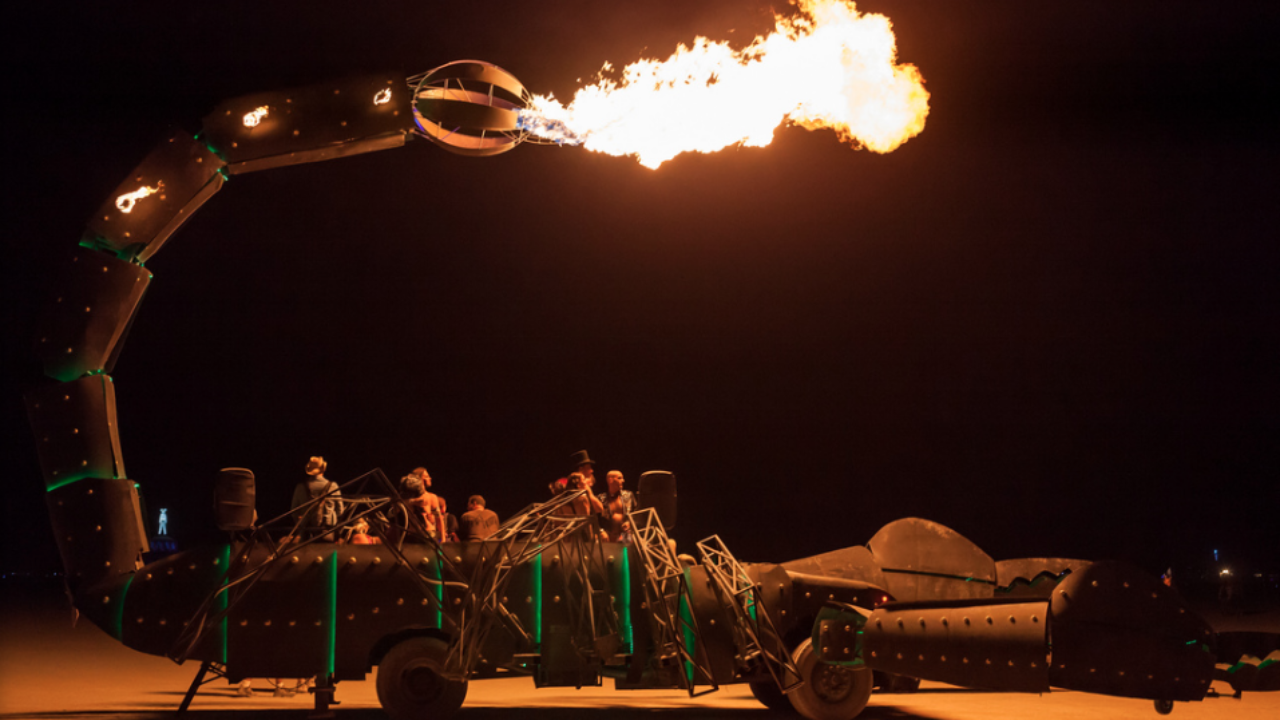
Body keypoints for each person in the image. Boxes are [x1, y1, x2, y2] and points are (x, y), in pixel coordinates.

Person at [291, 456, 343, 538]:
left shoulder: (300, 487)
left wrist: (301, 523)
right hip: (327, 531)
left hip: (306, 533)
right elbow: (340, 511)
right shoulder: (333, 486)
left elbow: (294, 511)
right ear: (323, 469)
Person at [399, 467, 446, 541]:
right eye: (426, 476)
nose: (430, 478)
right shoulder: (405, 498)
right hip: (412, 535)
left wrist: (443, 539)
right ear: (419, 479)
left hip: (428, 535)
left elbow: (439, 519)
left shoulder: (431, 497)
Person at [597, 470, 635, 543]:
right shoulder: (601, 498)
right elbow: (594, 518)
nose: (623, 480)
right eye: (619, 478)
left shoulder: (628, 495)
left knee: (625, 550)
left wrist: (629, 522)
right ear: (610, 480)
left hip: (626, 537)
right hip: (608, 537)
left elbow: (637, 513)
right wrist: (601, 531)